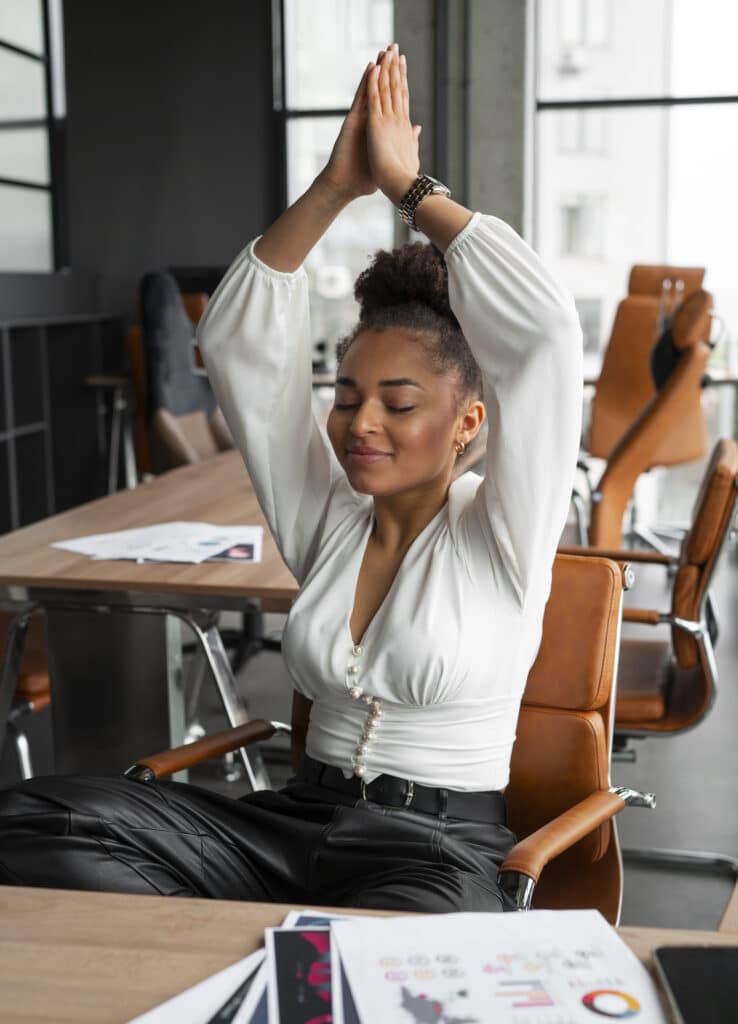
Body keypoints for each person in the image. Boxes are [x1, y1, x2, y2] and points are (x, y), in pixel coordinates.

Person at [0, 46, 582, 913]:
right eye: (346, 397)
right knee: (31, 821)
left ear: (469, 420)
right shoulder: (329, 519)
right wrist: (334, 189)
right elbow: (238, 342)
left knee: (396, 961)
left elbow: (544, 337)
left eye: (398, 401)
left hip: (434, 850)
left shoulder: (504, 532)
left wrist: (409, 189)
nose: (361, 423)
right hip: (287, 826)